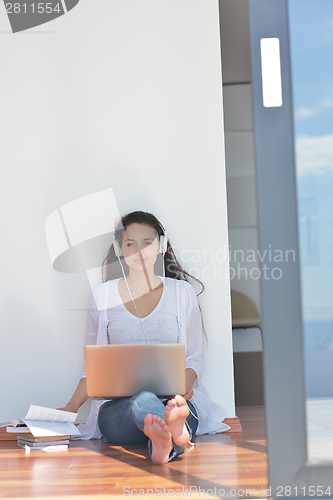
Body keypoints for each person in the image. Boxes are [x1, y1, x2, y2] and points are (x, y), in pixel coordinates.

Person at [59, 211, 229, 464]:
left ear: (160, 245)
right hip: (120, 411)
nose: (139, 251)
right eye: (130, 244)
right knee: (143, 401)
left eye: (147, 242)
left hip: (175, 401)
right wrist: (70, 408)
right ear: (120, 249)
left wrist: (184, 383)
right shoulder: (103, 296)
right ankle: (177, 435)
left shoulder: (182, 293)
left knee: (172, 408)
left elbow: (194, 359)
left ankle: (163, 443)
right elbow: (92, 368)